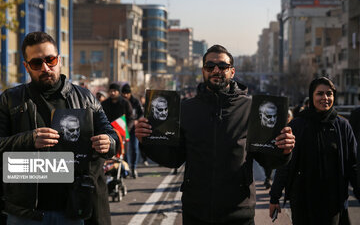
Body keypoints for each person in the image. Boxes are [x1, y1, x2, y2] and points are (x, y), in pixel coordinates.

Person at [136, 44, 295, 224]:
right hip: (195, 212)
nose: (216, 70)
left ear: (232, 72)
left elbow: (267, 160)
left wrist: (284, 150)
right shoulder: (185, 109)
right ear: (203, 71)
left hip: (239, 214)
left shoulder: (251, 109)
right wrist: (146, 140)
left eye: (223, 67)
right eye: (210, 66)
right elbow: (173, 158)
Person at [0, 31, 119, 225]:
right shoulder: (9, 100)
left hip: (73, 209)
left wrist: (108, 142)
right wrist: (28, 140)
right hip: (25, 213)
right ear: (26, 66)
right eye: (37, 63)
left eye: (50, 60)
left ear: (59, 60)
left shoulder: (85, 98)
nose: (45, 68)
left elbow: (111, 135)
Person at [269, 77, 360, 225]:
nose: (325, 98)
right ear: (312, 96)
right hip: (303, 200)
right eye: (320, 93)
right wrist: (274, 197)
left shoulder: (343, 127)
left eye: (329, 94)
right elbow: (285, 163)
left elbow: (353, 165)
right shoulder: (297, 125)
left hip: (333, 202)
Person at [121, 83, 144, 178]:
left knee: (134, 148)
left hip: (134, 129)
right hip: (123, 128)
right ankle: (125, 169)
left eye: (127, 93)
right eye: (123, 93)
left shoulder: (135, 102)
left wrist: (137, 120)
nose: (125, 95)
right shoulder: (121, 101)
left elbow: (141, 114)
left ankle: (133, 168)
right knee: (124, 150)